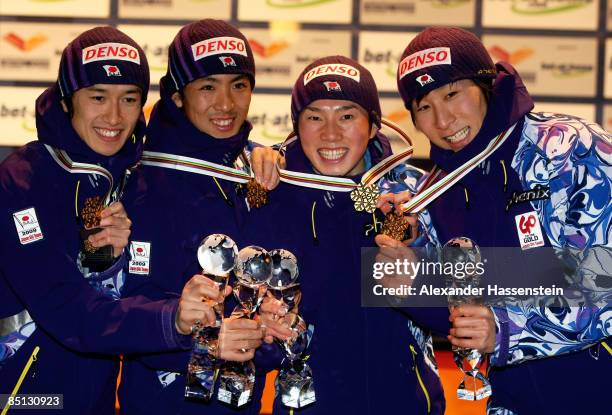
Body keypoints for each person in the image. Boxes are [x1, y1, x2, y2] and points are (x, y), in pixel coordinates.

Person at [379, 26, 611, 414]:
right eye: (423, 106)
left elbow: (604, 275)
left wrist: (506, 326)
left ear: (485, 85)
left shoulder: (572, 146)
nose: (444, 119)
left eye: (452, 94)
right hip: (512, 401)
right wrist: (411, 272)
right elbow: (458, 316)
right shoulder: (435, 190)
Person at [0, 27, 221, 415]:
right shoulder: (22, 181)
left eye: (129, 99)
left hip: (97, 400)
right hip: (23, 399)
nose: (115, 117)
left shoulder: (132, 174)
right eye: (98, 97)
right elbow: (67, 309)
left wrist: (268, 157)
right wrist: (173, 321)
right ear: (68, 101)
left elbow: (203, 152)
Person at [246, 55, 446, 414]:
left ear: (373, 126)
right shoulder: (273, 197)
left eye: (347, 115)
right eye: (314, 117)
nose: (331, 133)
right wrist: (265, 330)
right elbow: (251, 333)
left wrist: (420, 264)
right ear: (296, 127)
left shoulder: (414, 194)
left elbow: (469, 308)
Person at [116, 19, 284, 414]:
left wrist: (269, 336)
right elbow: (105, 312)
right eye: (208, 86)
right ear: (176, 96)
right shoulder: (133, 175)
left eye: (238, 85)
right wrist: (207, 342)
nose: (226, 105)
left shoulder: (261, 171)